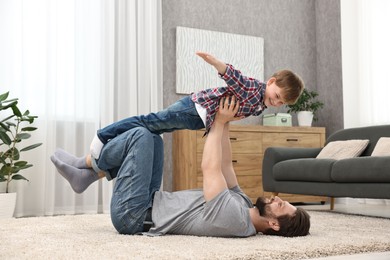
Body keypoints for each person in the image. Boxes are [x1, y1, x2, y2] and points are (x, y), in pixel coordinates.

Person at [51, 96, 310, 237]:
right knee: (154, 138)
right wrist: (228, 122)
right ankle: (90, 175)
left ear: (274, 224)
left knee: (141, 135)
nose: (277, 199)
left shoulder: (236, 220)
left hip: (133, 217)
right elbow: (225, 167)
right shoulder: (244, 204)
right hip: (149, 200)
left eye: (280, 205)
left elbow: (210, 169)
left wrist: (218, 123)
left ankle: (89, 163)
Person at [89, 51, 305, 159]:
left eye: (280, 102)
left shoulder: (260, 104)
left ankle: (114, 144)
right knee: (150, 121)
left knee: (154, 129)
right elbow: (233, 75)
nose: (276, 102)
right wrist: (215, 63)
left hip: (199, 120)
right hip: (194, 108)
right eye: (277, 95)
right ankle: (103, 135)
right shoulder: (252, 88)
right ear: (271, 82)